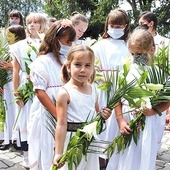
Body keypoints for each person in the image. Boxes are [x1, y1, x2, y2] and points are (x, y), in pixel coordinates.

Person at [106, 28, 170, 170]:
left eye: (139, 54)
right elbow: (116, 97)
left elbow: (167, 100)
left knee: (144, 155)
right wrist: (120, 120)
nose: (135, 57)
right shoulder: (127, 69)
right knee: (124, 155)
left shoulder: (162, 73)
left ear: (152, 49)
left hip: (150, 121)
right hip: (128, 118)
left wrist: (154, 110)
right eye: (133, 54)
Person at [52, 44, 112, 170]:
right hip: (73, 141)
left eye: (87, 65)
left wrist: (103, 115)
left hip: (90, 140)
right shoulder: (65, 93)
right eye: (78, 65)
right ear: (68, 67)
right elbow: (61, 124)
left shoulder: (94, 89)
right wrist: (58, 152)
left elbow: (95, 115)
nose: (83, 70)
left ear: (92, 68)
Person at [28, 19, 76, 170]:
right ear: (55, 40)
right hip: (49, 111)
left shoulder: (67, 59)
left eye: (72, 42)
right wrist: (57, 115)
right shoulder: (42, 62)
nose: (70, 46)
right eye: (68, 42)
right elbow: (40, 92)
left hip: (67, 110)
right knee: (49, 148)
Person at [91, 8, 130, 168]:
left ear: (126, 26)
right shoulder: (99, 45)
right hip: (103, 89)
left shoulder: (130, 44)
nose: (114, 29)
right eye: (112, 25)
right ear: (107, 25)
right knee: (104, 128)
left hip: (125, 90)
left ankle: (116, 161)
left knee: (118, 127)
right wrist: (102, 77)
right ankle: (101, 162)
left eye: (118, 25)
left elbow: (141, 66)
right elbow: (91, 67)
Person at [11, 12, 48, 168]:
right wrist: (16, 92)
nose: (32, 25)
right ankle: (26, 155)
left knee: (41, 122)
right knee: (25, 121)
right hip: (26, 88)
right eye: (29, 22)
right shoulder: (19, 45)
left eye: (36, 22)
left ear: (42, 24)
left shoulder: (47, 44)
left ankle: (41, 153)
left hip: (42, 86)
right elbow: (16, 70)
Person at [0, 25, 26, 150]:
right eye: (6, 34)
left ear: (17, 35)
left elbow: (22, 66)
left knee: (17, 110)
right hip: (6, 83)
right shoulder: (5, 49)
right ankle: (8, 137)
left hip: (16, 81)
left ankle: (18, 139)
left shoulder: (22, 47)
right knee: (8, 110)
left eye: (9, 34)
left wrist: (10, 66)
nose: (7, 37)